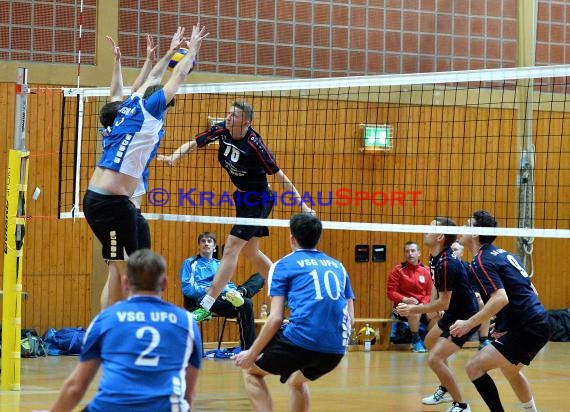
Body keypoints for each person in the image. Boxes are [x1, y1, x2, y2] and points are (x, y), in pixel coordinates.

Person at [83, 24, 208, 309]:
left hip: (105, 200)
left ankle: (111, 325)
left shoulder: (129, 105)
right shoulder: (151, 113)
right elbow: (175, 77)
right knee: (135, 271)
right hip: (112, 204)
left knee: (120, 266)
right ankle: (135, 321)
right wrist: (190, 51)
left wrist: (168, 53)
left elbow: (151, 77)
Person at [158, 101, 315, 313]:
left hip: (258, 199)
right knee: (251, 251)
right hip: (241, 198)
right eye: (229, 113)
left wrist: (302, 204)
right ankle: (285, 290)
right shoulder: (222, 129)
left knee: (231, 247)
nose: (229, 117)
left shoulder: (255, 145)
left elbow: (280, 176)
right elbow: (195, 143)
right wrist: (173, 157)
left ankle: (207, 304)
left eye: (234, 115)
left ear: (247, 122)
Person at [48, 249, 202, 412]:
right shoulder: (187, 322)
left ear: (126, 283)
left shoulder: (106, 319)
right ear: (165, 283)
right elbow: (188, 395)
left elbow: (75, 388)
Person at [233, 214, 355, 412]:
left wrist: (251, 353)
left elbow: (275, 318)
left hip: (301, 342)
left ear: (292, 238)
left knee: (250, 371)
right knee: (297, 382)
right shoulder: (338, 266)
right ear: (318, 237)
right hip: (335, 350)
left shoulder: (283, 265)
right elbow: (351, 318)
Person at [450, 210, 552, 412]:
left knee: (474, 367)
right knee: (510, 370)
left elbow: (501, 298)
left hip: (529, 327)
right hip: (539, 321)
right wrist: (507, 323)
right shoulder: (504, 254)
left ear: (475, 234)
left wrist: (469, 323)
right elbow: (531, 291)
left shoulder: (481, 261)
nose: (462, 227)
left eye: (467, 224)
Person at [397, 217, 479, 412]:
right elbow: (437, 285)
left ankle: (461, 405)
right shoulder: (436, 256)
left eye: (430, 228)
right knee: (429, 342)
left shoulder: (447, 263)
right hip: (452, 312)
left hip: (465, 318)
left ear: (440, 237)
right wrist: (431, 306)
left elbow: (444, 301)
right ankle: (445, 387)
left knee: (434, 359)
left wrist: (414, 309)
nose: (425, 230)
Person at [181, 231, 265, 349]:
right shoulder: (190, 263)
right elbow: (187, 288)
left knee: (261, 276)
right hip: (207, 299)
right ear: (199, 245)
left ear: (214, 246)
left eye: (209, 241)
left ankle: (240, 293)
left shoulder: (220, 264)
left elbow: (228, 283)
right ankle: (249, 349)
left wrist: (233, 291)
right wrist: (206, 289)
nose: (206, 244)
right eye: (203, 241)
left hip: (226, 298)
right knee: (246, 303)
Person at [387, 241, 433, 352]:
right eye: (407, 251)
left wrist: (423, 305)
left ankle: (429, 341)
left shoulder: (427, 271)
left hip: (423, 306)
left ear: (419, 253)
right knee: (414, 310)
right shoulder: (397, 270)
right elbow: (391, 292)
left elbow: (429, 293)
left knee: (438, 313)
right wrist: (405, 299)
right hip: (401, 309)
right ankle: (416, 340)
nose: (410, 254)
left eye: (413, 251)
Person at [451, 240, 492, 349]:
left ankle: (483, 339)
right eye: (450, 250)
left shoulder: (469, 267)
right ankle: (447, 340)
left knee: (484, 303)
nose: (452, 252)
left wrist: (477, 293)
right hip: (450, 301)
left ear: (462, 253)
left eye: (455, 250)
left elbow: (475, 285)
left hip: (467, 300)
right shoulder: (445, 267)